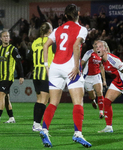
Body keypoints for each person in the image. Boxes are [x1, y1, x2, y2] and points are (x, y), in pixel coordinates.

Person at [39, 4, 92, 148]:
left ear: (65, 15)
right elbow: (76, 46)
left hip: (55, 67)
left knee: (53, 103)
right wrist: (76, 66)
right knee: (78, 102)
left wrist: (46, 66)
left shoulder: (57, 29)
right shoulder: (81, 29)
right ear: (78, 14)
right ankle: (78, 134)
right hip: (70, 67)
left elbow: (45, 46)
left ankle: (44, 129)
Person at [31, 22, 54, 132]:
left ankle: (36, 123)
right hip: (46, 72)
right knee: (44, 101)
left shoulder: (35, 42)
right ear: (49, 31)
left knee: (39, 99)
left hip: (36, 73)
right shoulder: (51, 42)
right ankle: (36, 124)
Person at [0, 29, 24, 123]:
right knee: (6, 97)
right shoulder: (0, 49)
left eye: (7, 36)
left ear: (9, 38)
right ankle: (11, 117)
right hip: (1, 77)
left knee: (1, 94)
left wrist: (21, 76)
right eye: (4, 36)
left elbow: (19, 62)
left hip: (8, 77)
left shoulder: (13, 49)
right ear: (1, 38)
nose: (6, 38)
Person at [81, 40, 106, 119]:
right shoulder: (89, 53)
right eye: (95, 44)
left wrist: (104, 80)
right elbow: (81, 63)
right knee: (92, 95)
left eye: (98, 44)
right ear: (93, 45)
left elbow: (101, 66)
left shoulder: (101, 54)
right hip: (87, 77)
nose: (97, 46)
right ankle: (93, 100)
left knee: (100, 92)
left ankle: (101, 112)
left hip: (96, 76)